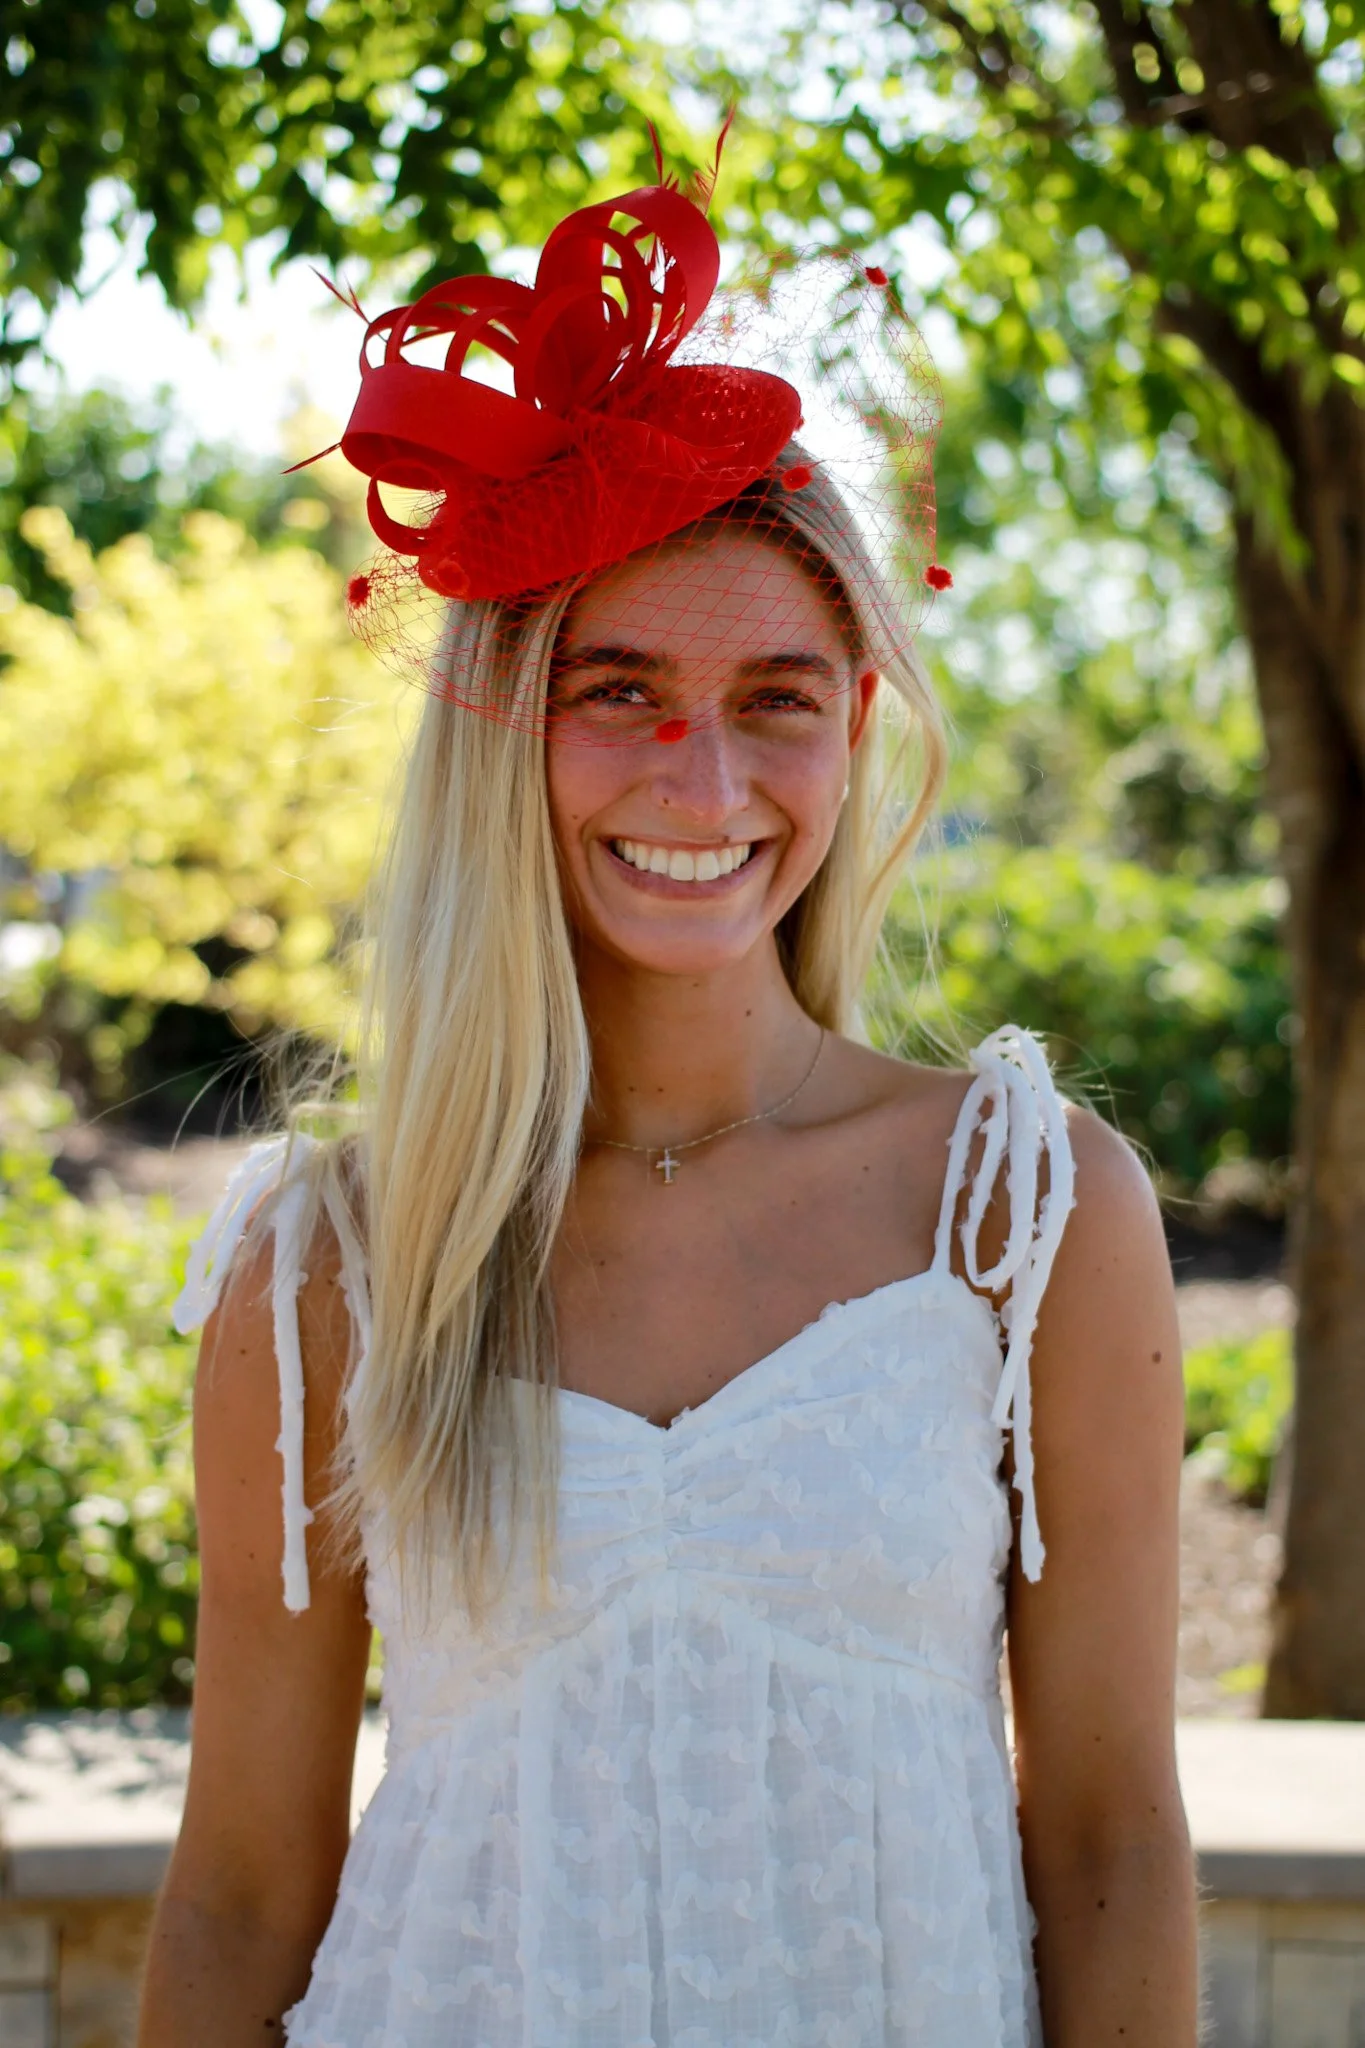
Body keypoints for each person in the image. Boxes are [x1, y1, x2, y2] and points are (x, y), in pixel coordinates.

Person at [137, 163, 1198, 2048]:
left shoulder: (1025, 1212)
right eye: (620, 689)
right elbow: (234, 1898)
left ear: (855, 728)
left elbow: (1111, 1838)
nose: (701, 780)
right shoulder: (330, 1266)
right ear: (506, 723)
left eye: (776, 698)